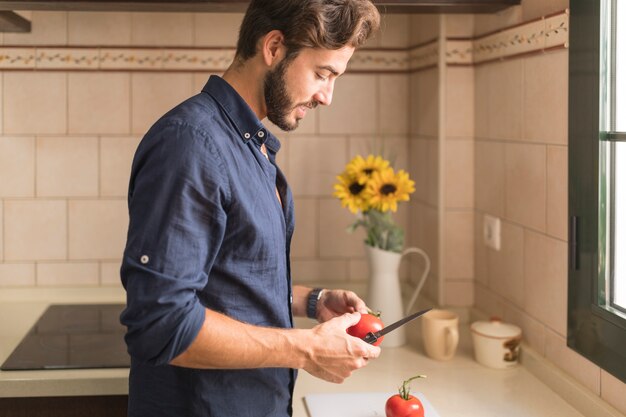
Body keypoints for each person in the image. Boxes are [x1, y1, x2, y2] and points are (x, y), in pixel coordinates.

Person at [120, 0, 382, 416]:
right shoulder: (191, 144)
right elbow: (161, 323)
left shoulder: (247, 143)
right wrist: (306, 349)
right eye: (321, 73)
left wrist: (313, 302)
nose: (326, 96)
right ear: (274, 47)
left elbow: (229, 278)